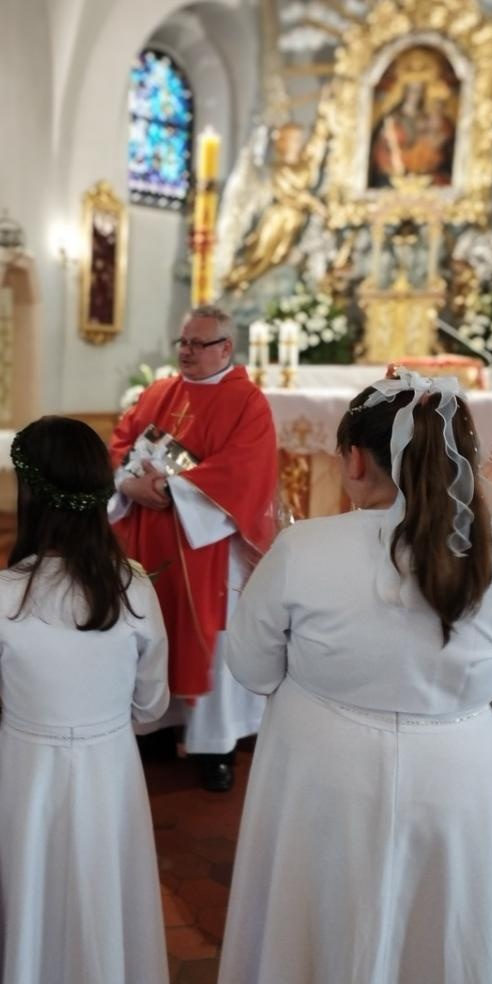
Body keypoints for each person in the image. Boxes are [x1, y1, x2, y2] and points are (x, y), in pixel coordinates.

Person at [205, 368, 492, 984]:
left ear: (359, 459)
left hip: (321, 775)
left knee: (314, 944)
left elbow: (247, 666)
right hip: (457, 781)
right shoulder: (491, 562)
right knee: (444, 946)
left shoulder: (305, 550)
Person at [0, 417, 178, 984]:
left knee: (27, 914)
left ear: (31, 496)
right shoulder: (133, 588)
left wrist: (10, 734)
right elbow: (151, 705)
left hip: (26, 774)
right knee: (105, 915)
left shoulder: (1, 595)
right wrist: (100, 726)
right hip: (108, 773)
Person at [109, 305, 278, 791]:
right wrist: (127, 481)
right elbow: (123, 441)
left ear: (225, 347)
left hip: (206, 545)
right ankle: (156, 727)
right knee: (152, 624)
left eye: (197, 344)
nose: (186, 351)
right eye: (182, 342)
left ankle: (214, 744)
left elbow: (245, 470)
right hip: (149, 537)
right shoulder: (160, 392)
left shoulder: (247, 401)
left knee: (207, 633)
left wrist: (169, 492)